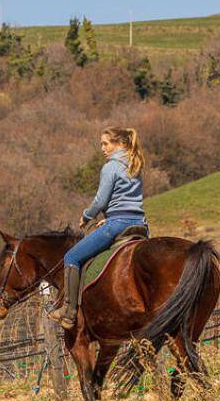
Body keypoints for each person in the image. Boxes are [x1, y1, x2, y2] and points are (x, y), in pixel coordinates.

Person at [49, 126, 148, 330]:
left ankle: (68, 312)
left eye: (106, 143)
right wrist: (109, 217)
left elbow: (101, 200)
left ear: (119, 143)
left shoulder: (111, 166)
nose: (102, 148)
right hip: (140, 224)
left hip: (117, 224)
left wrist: (87, 216)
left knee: (71, 257)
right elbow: (127, 200)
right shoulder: (135, 163)